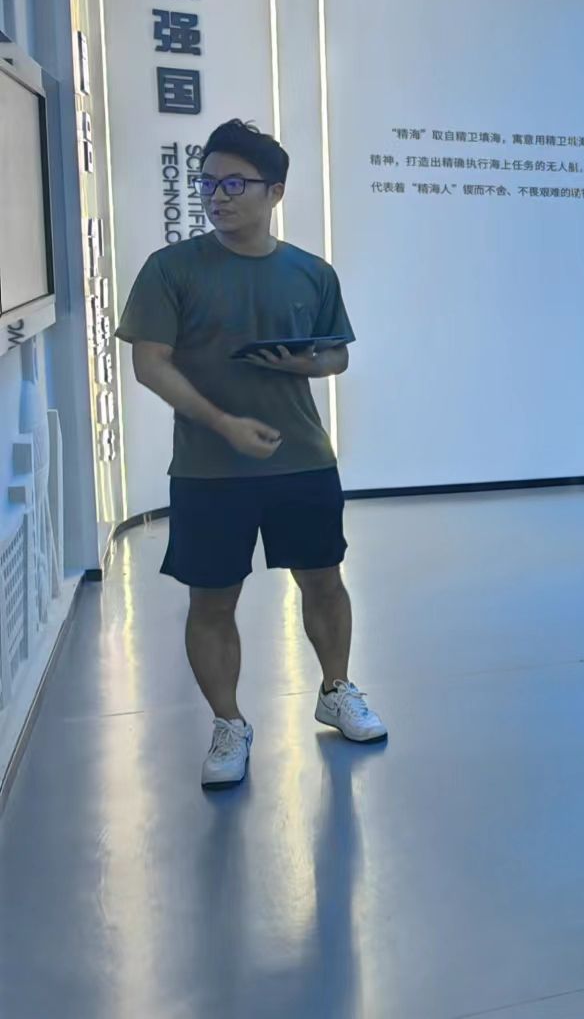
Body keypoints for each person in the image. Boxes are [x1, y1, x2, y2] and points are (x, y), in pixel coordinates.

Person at [116, 119, 385, 789]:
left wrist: (305, 363)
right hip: (209, 469)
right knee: (212, 601)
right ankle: (229, 722)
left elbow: (337, 354)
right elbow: (150, 364)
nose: (218, 196)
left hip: (303, 459)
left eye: (234, 184)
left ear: (275, 192)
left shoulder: (311, 272)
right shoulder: (171, 269)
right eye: (208, 183)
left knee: (324, 580)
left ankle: (336, 689)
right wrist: (223, 424)